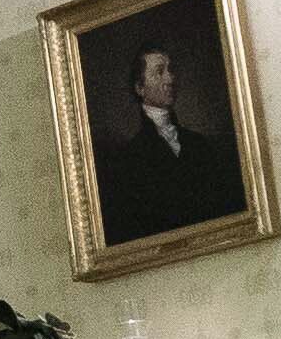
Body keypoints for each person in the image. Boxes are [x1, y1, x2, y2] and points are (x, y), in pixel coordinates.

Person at [90, 35, 246, 240]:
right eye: (159, 72)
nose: (170, 79)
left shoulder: (197, 144)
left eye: (170, 70)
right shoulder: (130, 157)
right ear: (140, 88)